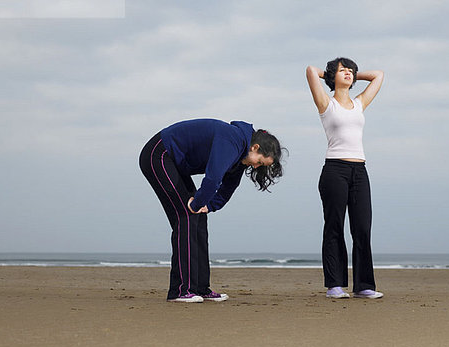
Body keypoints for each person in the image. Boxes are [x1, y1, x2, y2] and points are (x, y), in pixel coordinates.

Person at [139, 119, 285, 303]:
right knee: (186, 216)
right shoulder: (233, 139)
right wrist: (197, 202)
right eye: (260, 162)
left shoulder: (241, 156)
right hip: (158, 155)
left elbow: (228, 187)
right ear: (255, 147)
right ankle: (180, 290)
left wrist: (209, 205)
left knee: (199, 218)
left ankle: (200, 288)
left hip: (174, 163)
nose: (256, 167)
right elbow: (213, 178)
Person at [306, 58, 385, 299]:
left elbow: (378, 75)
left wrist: (352, 75)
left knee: (362, 228)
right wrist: (331, 73)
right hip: (334, 170)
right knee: (334, 227)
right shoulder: (326, 104)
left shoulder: (359, 103)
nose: (349, 73)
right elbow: (311, 70)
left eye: (351, 70)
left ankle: (363, 286)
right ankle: (335, 285)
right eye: (344, 70)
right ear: (332, 77)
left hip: (360, 171)